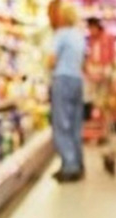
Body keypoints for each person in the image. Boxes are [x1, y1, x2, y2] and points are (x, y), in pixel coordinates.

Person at [46, 1, 86, 183]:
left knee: (62, 123)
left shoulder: (60, 34)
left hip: (62, 79)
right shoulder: (79, 36)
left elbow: (52, 60)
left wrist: (45, 65)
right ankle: (78, 162)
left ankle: (69, 166)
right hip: (77, 80)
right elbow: (84, 60)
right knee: (76, 124)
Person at [86, 18, 116, 136]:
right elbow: (91, 55)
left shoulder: (108, 37)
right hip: (94, 71)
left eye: (91, 28)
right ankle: (97, 128)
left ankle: (105, 128)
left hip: (104, 71)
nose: (90, 31)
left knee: (103, 100)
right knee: (96, 100)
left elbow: (111, 55)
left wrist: (108, 69)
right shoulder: (91, 40)